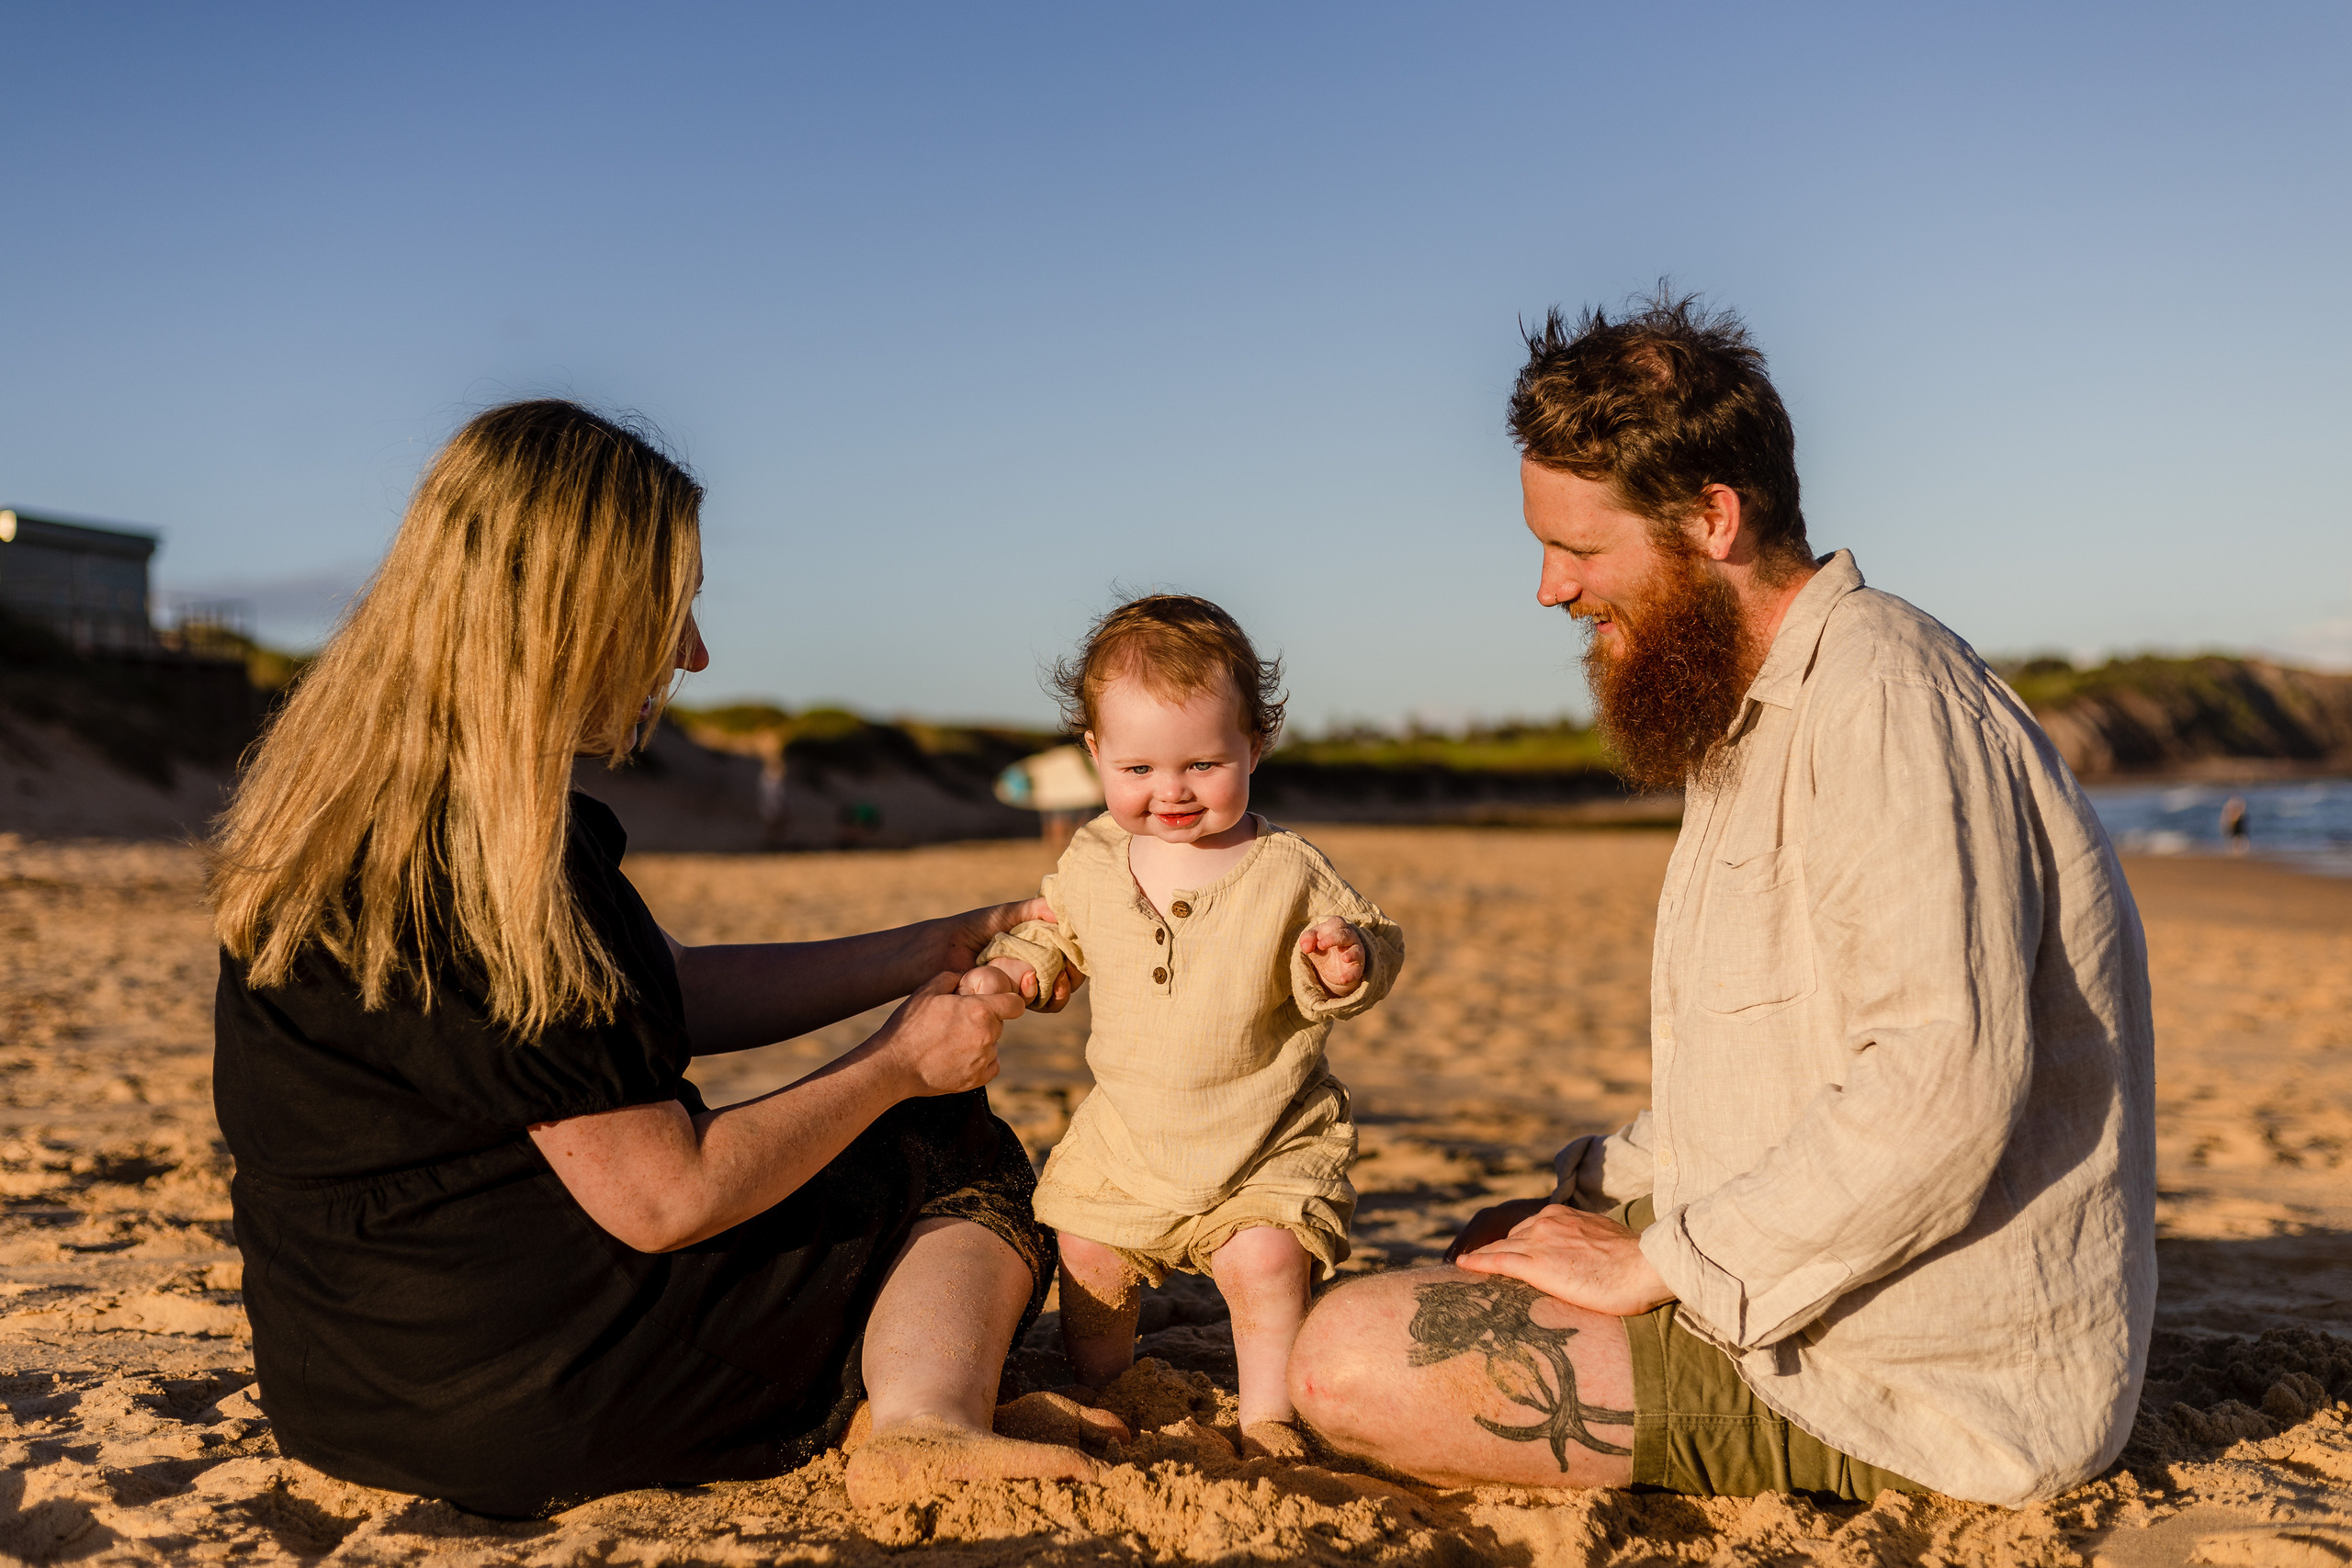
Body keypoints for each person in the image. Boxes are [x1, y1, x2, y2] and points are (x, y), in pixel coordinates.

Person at [1286, 294, 2156, 1508]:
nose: (1549, 588)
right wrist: (1600, 1186)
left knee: (1345, 1358)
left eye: (1579, 549)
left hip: (1917, 1377)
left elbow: (1942, 1082)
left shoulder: (1884, 701)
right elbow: (1779, 1069)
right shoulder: (1757, 709)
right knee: (1484, 1243)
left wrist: (1660, 1256)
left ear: (1712, 517)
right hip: (1836, 1284)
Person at [207, 400, 1113, 1518]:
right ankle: (928, 1426)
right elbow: (665, 1200)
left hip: (350, 1384)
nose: (693, 653)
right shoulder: (495, 873)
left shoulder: (353, 813)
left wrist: (928, 948)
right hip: (533, 1397)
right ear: (571, 618)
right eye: (669, 611)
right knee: (953, 1149)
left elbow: (662, 992)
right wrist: (897, 1065)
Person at [964, 595, 1404, 1457]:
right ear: (1095, 754)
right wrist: (1032, 968)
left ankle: (1270, 1414)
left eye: (1203, 763)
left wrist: (1347, 962)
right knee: (1086, 1249)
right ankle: (1104, 1383)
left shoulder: (1288, 871)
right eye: (1137, 770)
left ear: (1256, 744)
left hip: (1266, 1135)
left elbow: (1375, 941)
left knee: (1265, 1265)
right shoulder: (1095, 856)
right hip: (1129, 1134)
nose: (1170, 791)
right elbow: (1058, 929)